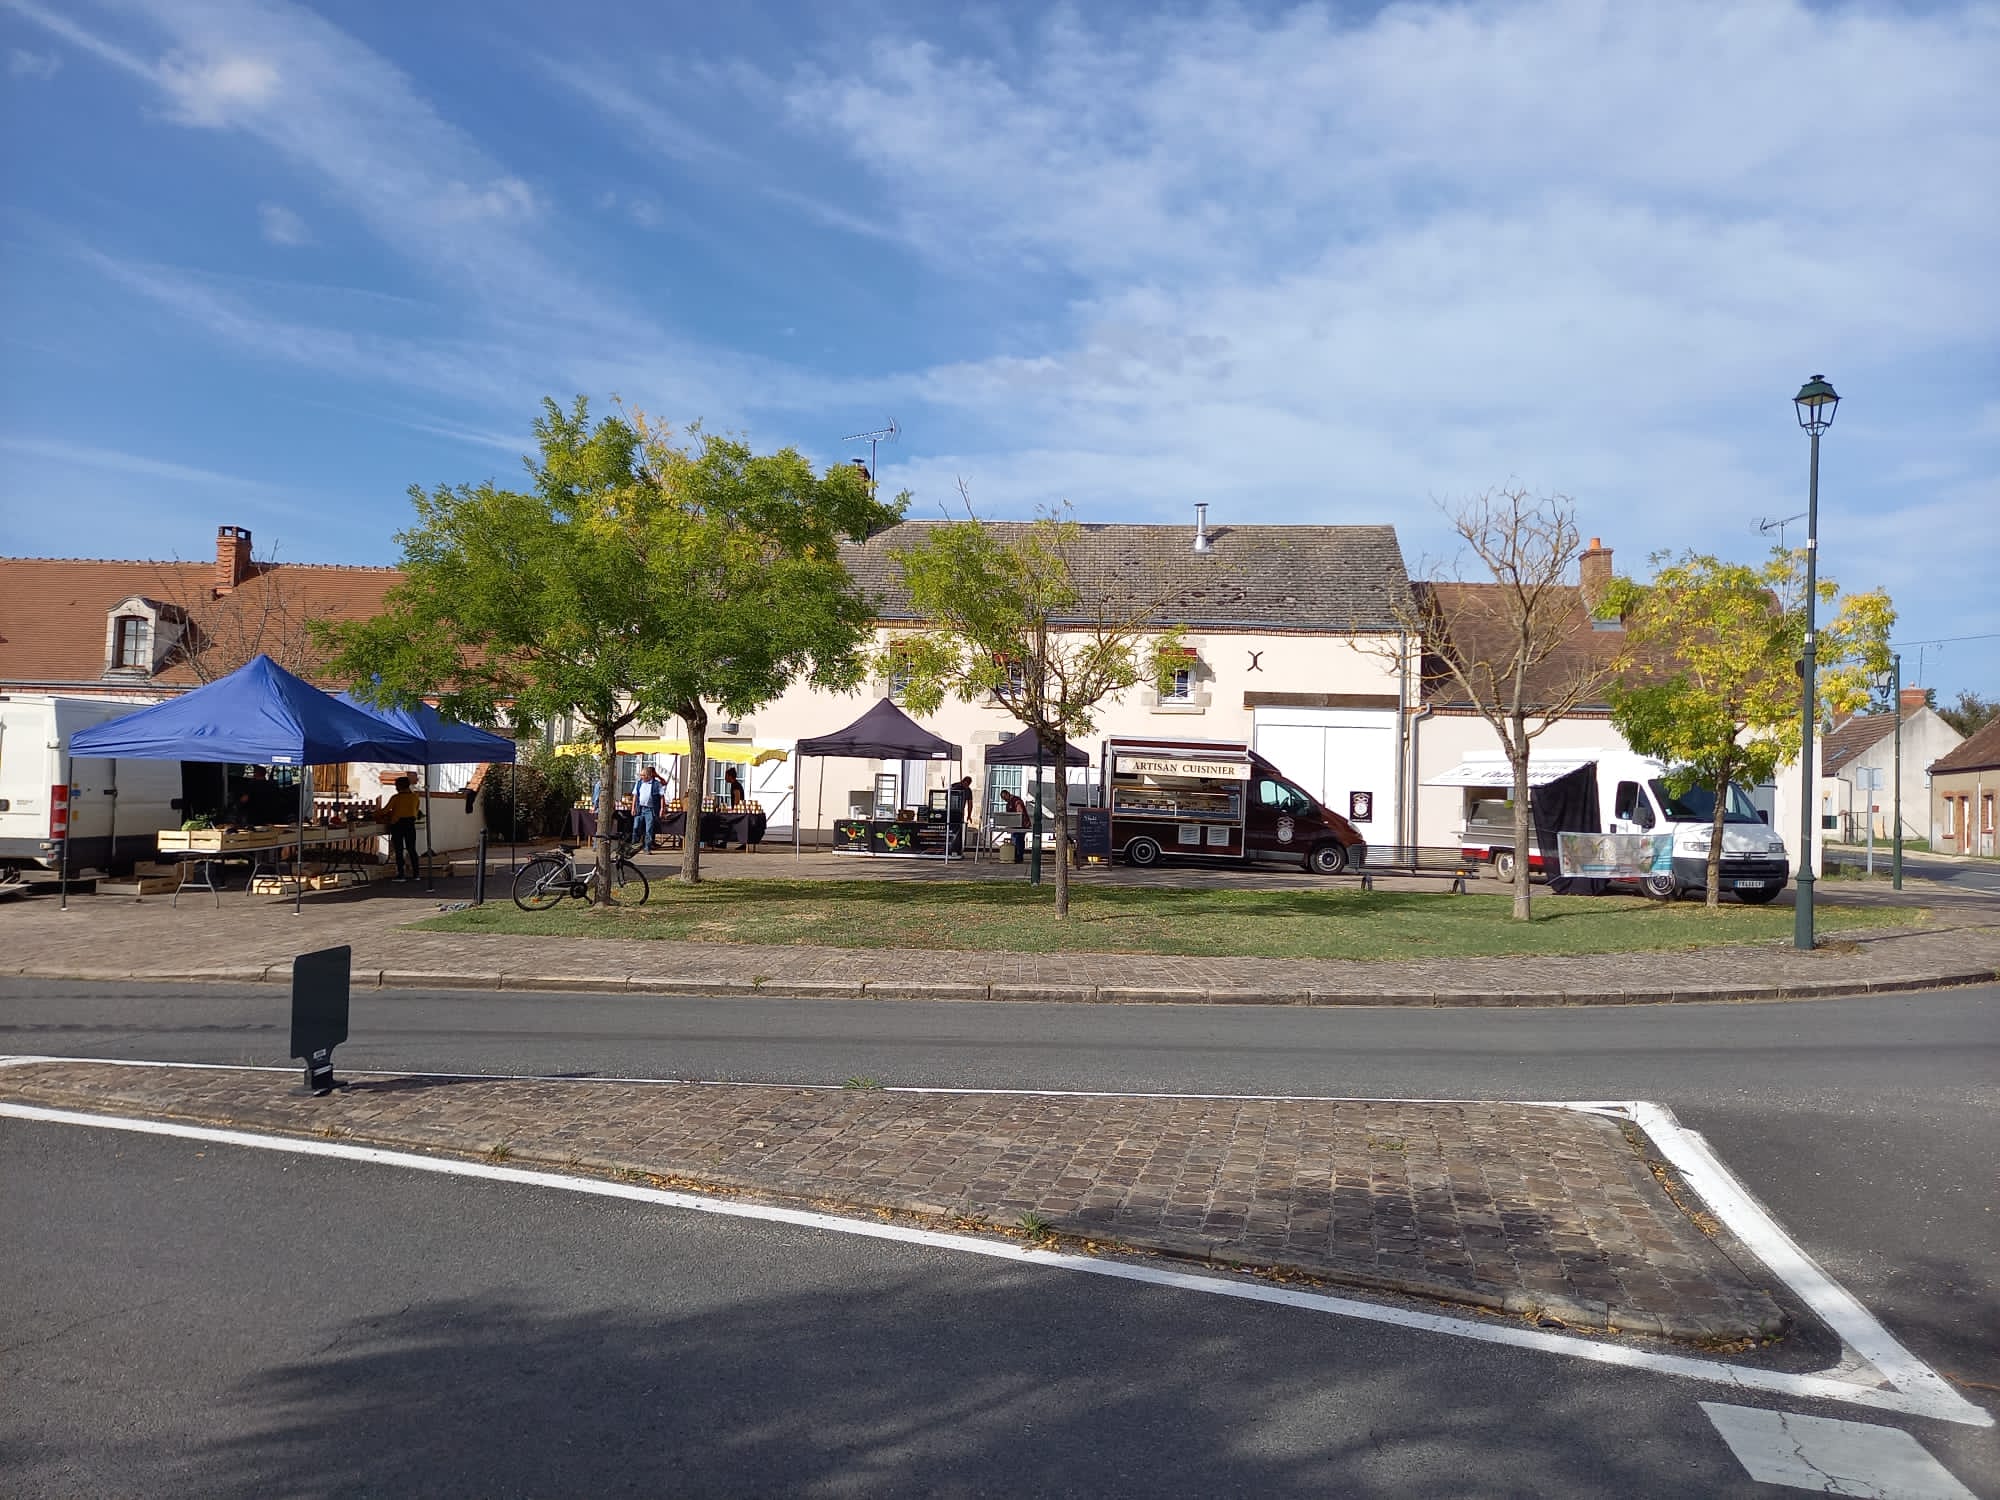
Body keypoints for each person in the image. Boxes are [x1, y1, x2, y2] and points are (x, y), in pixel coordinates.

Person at [383, 775, 422, 882]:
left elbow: (385, 811)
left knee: (399, 850)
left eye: (396, 786)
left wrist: (375, 814)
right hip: (410, 824)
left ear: (399, 786)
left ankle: (401, 875)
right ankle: (416, 874)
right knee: (412, 849)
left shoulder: (396, 798)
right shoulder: (415, 797)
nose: (395, 788)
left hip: (397, 825)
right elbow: (417, 810)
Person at [633, 765, 665, 852]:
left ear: (648, 775)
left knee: (649, 829)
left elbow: (662, 796)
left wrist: (662, 808)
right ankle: (634, 846)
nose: (641, 777)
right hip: (640, 808)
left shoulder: (656, 784)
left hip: (650, 809)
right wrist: (633, 807)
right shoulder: (639, 783)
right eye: (641, 775)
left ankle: (647, 847)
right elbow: (635, 796)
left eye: (643, 775)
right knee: (636, 827)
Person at [722, 766, 748, 850]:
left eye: (726, 776)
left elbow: (737, 797)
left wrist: (735, 809)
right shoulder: (735, 784)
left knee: (731, 824)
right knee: (730, 825)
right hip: (738, 809)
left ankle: (725, 842)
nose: (725, 778)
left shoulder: (735, 785)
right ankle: (724, 842)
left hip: (738, 810)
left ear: (730, 776)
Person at [1001, 789, 1027, 863]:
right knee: (1014, 840)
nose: (1005, 799)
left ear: (1008, 794)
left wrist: (1016, 819)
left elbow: (1020, 812)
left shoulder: (1016, 801)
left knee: (1019, 840)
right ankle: (1015, 856)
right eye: (1003, 799)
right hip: (1014, 825)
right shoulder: (1008, 804)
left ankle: (1019, 857)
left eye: (1005, 797)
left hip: (1021, 825)